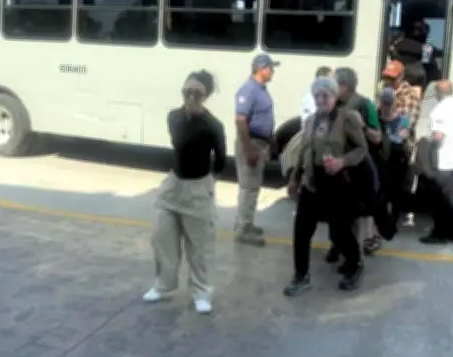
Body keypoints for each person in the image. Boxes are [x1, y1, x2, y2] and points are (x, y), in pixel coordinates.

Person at [143, 70, 225, 315]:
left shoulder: (213, 125)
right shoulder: (174, 117)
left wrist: (209, 185)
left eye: (197, 93)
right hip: (173, 184)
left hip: (198, 187)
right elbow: (180, 140)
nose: (191, 97)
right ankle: (163, 285)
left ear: (206, 95)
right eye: (187, 91)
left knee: (200, 248)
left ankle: (202, 293)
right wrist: (190, 115)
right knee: (161, 237)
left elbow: (221, 161)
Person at [284, 76, 369, 296]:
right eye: (317, 96)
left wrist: (342, 161)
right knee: (301, 231)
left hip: (337, 185)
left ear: (334, 96)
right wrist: (294, 179)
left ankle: (355, 264)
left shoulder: (347, 118)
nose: (321, 100)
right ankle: (301, 275)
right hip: (312, 183)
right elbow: (304, 151)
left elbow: (362, 149)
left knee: (340, 232)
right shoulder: (311, 120)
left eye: (326, 95)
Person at [332, 67, 386, 257]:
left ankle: (363, 245)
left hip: (360, 165)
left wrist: (361, 126)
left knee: (363, 208)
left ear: (344, 86)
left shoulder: (365, 105)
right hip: (339, 165)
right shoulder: (333, 104)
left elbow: (377, 137)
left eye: (334, 83)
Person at [233, 53, 279, 246]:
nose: (273, 71)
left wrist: (271, 140)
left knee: (254, 186)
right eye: (271, 67)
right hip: (250, 143)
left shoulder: (261, 89)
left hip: (259, 143)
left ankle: (247, 223)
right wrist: (249, 149)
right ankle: (242, 229)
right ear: (262, 69)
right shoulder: (248, 90)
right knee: (248, 188)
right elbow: (241, 120)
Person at [419, 80, 453, 245]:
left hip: (443, 159)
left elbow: (438, 136)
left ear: (437, 93)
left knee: (439, 198)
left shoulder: (439, 110)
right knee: (452, 197)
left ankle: (439, 233)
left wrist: (427, 140)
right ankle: (452, 231)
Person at [377, 87, 412, 224]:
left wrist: (384, 138)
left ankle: (393, 218)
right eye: (384, 102)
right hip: (380, 160)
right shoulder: (376, 118)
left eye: (389, 102)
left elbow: (399, 139)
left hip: (396, 161)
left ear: (394, 103)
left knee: (395, 193)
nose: (386, 105)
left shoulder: (403, 120)